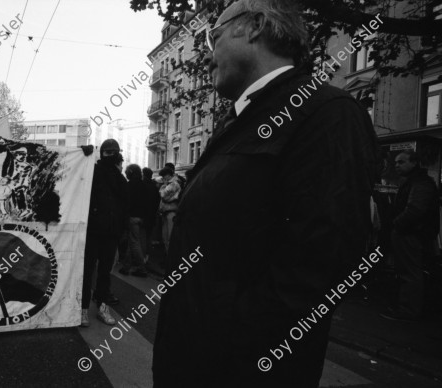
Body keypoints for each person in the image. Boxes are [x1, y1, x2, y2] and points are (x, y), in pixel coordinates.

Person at [152, 1, 379, 387]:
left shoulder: (327, 114)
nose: (208, 56)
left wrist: (228, 347)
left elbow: (321, 264)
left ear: (254, 26)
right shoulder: (239, 120)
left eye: (213, 37)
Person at [380, 150, 439, 321]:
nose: (397, 165)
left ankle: (408, 311)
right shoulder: (415, 182)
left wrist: (396, 225)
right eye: (396, 162)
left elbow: (414, 210)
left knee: (410, 272)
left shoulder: (420, 183)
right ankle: (407, 308)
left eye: (401, 162)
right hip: (411, 232)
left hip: (410, 233)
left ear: (414, 163)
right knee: (409, 271)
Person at [81, 139, 127, 327]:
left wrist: (121, 231)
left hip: (110, 233)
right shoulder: (92, 172)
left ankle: (102, 306)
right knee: (87, 271)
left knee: (105, 274)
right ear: (102, 154)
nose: (111, 155)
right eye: (107, 152)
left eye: (114, 152)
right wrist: (82, 155)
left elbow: (125, 206)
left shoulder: (120, 179)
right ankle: (83, 308)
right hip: (92, 231)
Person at [119, 164, 148, 277]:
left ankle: (142, 268)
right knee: (132, 241)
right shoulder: (143, 184)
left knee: (135, 243)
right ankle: (126, 267)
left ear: (130, 172)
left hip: (132, 217)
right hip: (140, 217)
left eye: (127, 171)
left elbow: (126, 203)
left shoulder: (129, 185)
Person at [158, 167, 180, 254]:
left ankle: (171, 259)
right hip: (166, 212)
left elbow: (164, 196)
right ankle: (168, 258)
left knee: (169, 238)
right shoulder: (169, 184)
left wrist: (163, 186)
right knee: (165, 238)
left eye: (164, 176)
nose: (163, 178)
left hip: (171, 213)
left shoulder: (173, 184)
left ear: (168, 175)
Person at [142, 167, 161, 262]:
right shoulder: (155, 187)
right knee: (149, 237)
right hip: (152, 216)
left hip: (143, 216)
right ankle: (147, 256)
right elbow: (158, 201)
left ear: (143, 174)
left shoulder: (142, 185)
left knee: (142, 237)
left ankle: (141, 259)